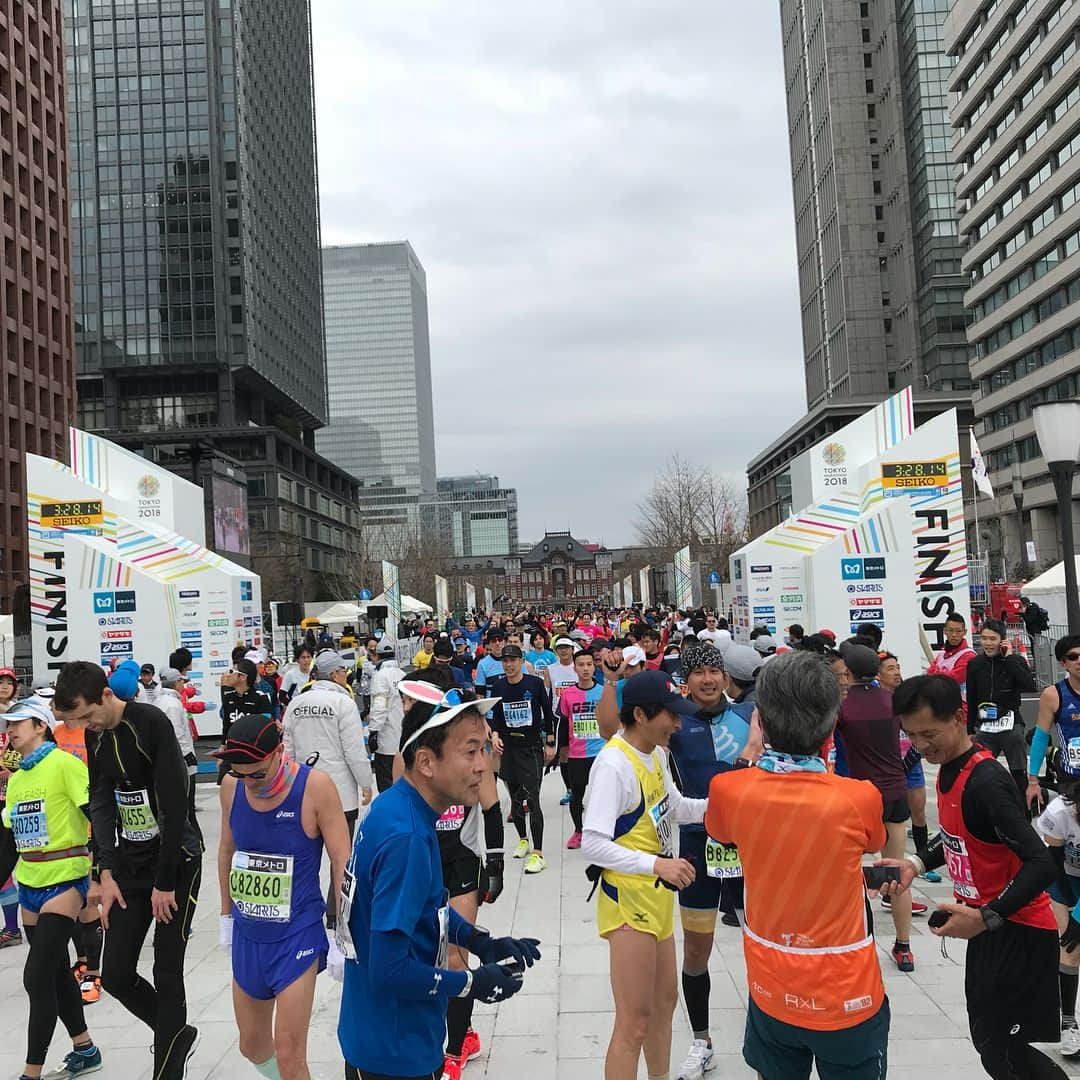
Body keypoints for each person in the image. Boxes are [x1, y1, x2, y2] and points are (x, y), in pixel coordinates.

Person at [336, 686, 541, 1080]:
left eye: (484, 748)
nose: (483, 766)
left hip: (383, 1037)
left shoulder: (397, 808)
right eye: (470, 751)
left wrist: (480, 941)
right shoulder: (407, 839)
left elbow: (425, 911)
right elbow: (389, 970)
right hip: (395, 1052)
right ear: (426, 762)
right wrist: (470, 982)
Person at [705, 652, 893, 1080]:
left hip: (771, 982)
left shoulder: (729, 790)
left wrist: (752, 751)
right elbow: (875, 842)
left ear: (761, 719)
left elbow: (721, 831)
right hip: (845, 992)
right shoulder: (858, 797)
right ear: (831, 725)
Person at [885, 674, 1065, 1079]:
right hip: (988, 929)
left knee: (1004, 1050)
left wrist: (986, 916)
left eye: (929, 733)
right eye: (911, 736)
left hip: (1019, 930)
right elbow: (956, 834)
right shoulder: (952, 768)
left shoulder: (986, 782)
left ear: (959, 717)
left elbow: (1041, 863)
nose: (921, 745)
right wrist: (914, 865)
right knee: (991, 1044)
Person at [53, 660, 203, 1080]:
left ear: (106, 695)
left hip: (176, 862)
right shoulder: (94, 734)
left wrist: (165, 882)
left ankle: (167, 1068)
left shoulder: (148, 722)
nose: (86, 725)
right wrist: (105, 871)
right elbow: (100, 800)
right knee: (116, 973)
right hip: (130, 863)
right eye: (77, 721)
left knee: (166, 968)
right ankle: (176, 1032)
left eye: (87, 715)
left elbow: (175, 807)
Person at [582, 671, 705, 1080]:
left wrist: (725, 803)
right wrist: (657, 864)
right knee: (633, 1022)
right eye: (670, 715)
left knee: (663, 1005)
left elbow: (675, 807)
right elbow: (593, 844)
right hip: (628, 901)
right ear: (640, 714)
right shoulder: (613, 765)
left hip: (657, 897)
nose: (678, 723)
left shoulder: (656, 754)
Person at [217, 714, 352, 1080]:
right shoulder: (231, 787)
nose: (248, 782)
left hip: (297, 932)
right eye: (239, 772)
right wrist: (226, 918)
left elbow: (342, 858)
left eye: (256, 773)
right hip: (249, 933)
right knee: (252, 1045)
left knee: (290, 1053)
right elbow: (227, 850)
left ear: (279, 752)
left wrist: (342, 931)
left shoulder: (315, 787)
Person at [392, 675, 507, 1080]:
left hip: (461, 861)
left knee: (456, 954)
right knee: (427, 953)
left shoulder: (473, 759)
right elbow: (400, 809)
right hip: (426, 861)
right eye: (404, 702)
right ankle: (461, 1026)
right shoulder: (405, 758)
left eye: (411, 700)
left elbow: (493, 810)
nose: (405, 707)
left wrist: (495, 865)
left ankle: (455, 1049)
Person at [655, 644, 759, 1079]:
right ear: (687, 679)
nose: (708, 679)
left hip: (746, 845)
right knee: (697, 951)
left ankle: (770, 1035)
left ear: (725, 675)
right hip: (697, 846)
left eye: (714, 670)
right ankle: (702, 1042)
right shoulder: (675, 722)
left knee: (760, 943)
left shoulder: (751, 715)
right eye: (698, 672)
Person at [2, 696, 103, 1080]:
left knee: (35, 976)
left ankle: (31, 1072)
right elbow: (11, 841)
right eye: (8, 724)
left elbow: (94, 813)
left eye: (18, 723)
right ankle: (85, 1048)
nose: (10, 730)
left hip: (66, 878)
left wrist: (98, 872)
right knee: (58, 972)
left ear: (41, 726)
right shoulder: (18, 779)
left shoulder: (66, 765)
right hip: (30, 881)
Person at [835, 642, 920, 971]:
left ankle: (858, 943)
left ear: (849, 672)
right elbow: (915, 744)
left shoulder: (843, 706)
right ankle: (904, 947)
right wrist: (903, 766)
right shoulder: (893, 701)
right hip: (895, 791)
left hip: (859, 795)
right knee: (897, 870)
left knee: (852, 873)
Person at [281, 649, 373, 927]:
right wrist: (366, 783)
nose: (346, 675)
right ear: (334, 674)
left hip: (303, 792)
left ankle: (302, 908)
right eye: (343, 671)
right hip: (340, 795)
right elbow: (354, 751)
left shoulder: (297, 703)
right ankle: (338, 912)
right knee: (341, 855)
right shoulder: (343, 703)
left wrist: (287, 789)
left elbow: (288, 750)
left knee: (304, 856)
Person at [489, 644, 557, 873]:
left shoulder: (534, 684)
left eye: (512, 661)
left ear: (521, 662)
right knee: (515, 799)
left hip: (531, 748)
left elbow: (548, 713)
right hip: (509, 749)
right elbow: (495, 717)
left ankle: (538, 853)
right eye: (505, 661)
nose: (508, 665)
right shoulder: (498, 686)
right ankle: (523, 839)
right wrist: (495, 735)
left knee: (533, 799)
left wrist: (550, 743)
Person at [966, 618, 1036, 805]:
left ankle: (1023, 813)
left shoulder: (1014, 661)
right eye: (984, 638)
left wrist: (1010, 658)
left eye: (993, 639)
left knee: (1018, 772)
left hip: (1011, 723)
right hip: (985, 727)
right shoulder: (974, 664)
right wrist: (970, 730)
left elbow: (1030, 685)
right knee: (979, 772)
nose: (988, 643)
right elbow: (972, 698)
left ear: (1002, 640)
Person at [1034, 780, 1080, 1057]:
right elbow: (1053, 865)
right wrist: (1072, 910)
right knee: (1071, 947)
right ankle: (1067, 1023)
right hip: (1064, 878)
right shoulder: (1058, 813)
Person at [558, 649, 605, 850]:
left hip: (600, 753)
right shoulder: (567, 694)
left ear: (594, 666)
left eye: (589, 664)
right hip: (577, 754)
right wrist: (561, 751)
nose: (585, 669)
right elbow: (563, 722)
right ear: (575, 668)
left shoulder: (603, 691)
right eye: (581, 665)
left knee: (603, 794)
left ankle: (604, 832)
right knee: (577, 794)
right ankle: (579, 830)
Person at [1028, 634, 1080, 812]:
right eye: (1073, 657)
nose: (1079, 661)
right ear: (1063, 663)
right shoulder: (1053, 695)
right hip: (1071, 779)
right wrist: (1033, 780)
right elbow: (1041, 738)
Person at [219, 660, 274, 785]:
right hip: (232, 750)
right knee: (226, 784)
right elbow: (227, 724)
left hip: (253, 752)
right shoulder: (228, 696)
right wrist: (223, 748)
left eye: (232, 672)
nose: (228, 674)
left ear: (242, 677)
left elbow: (266, 726)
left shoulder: (261, 698)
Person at [367, 640, 404, 793]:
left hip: (386, 742)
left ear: (378, 656)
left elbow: (380, 706)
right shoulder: (403, 674)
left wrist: (373, 732)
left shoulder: (380, 676)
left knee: (387, 788)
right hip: (403, 742)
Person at [928, 612, 977, 704]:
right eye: (950, 630)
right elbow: (929, 676)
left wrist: (936, 674)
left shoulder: (969, 655)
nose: (954, 635)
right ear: (945, 631)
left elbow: (951, 680)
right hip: (941, 705)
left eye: (958, 631)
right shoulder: (941, 655)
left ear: (964, 632)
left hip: (962, 708)